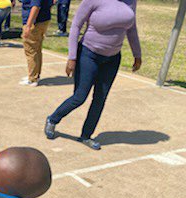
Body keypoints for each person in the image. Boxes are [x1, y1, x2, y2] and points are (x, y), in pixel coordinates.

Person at [45, 0, 142, 150]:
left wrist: (137, 54)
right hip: (89, 54)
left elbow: (131, 29)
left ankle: (86, 136)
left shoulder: (130, 2)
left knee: (100, 99)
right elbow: (76, 25)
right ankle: (53, 119)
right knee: (79, 97)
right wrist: (72, 57)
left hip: (113, 58)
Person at [19, 0, 53, 87]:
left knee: (31, 50)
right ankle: (35, 75)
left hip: (35, 22)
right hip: (43, 19)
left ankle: (32, 78)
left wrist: (28, 25)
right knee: (37, 49)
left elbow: (36, 6)